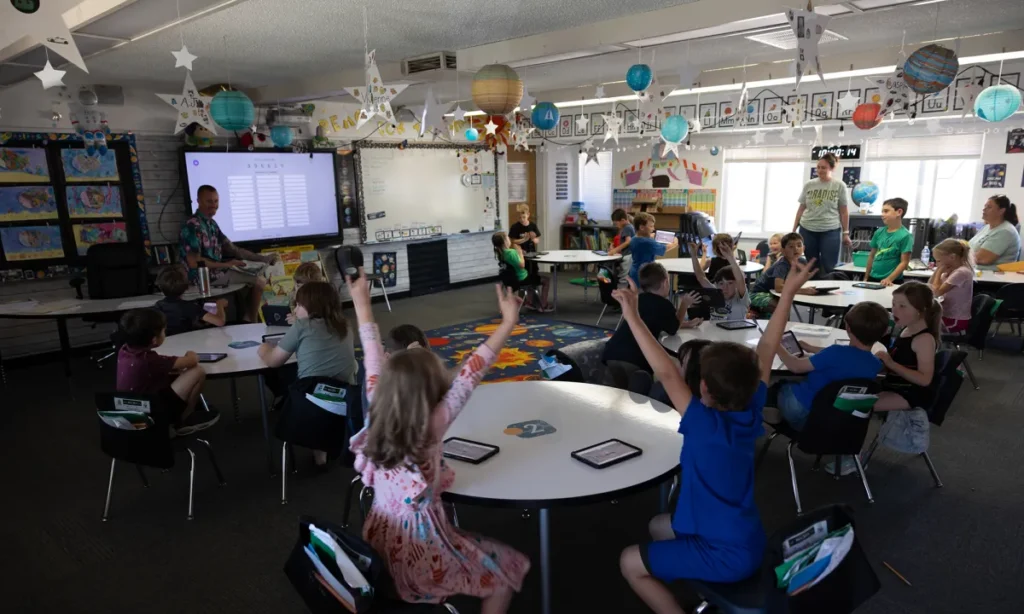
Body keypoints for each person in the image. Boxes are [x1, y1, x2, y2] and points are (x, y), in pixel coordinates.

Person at [616, 258, 819, 614]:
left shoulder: (703, 423)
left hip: (723, 554)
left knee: (628, 562)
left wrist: (632, 314)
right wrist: (786, 293)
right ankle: (687, 577)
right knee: (657, 525)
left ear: (704, 388)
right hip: (747, 539)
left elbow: (664, 370)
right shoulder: (751, 407)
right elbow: (767, 349)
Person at [348, 272, 530, 613]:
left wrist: (360, 301)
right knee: (504, 574)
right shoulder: (432, 425)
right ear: (431, 392)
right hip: (424, 548)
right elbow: (472, 371)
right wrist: (508, 322)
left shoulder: (375, 403)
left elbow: (371, 351)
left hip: (380, 541)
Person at [258, 281, 359, 467]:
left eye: (299, 305)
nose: (295, 310)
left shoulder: (302, 327)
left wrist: (263, 349)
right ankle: (324, 448)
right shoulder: (345, 325)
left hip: (309, 402)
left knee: (294, 380)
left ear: (312, 306)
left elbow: (273, 361)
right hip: (346, 399)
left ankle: (318, 452)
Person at [764, 301, 890, 431]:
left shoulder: (835, 352)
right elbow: (846, 357)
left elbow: (795, 366)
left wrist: (776, 345)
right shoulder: (875, 364)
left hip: (803, 411)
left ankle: (769, 412)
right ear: (885, 332)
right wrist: (811, 348)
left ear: (847, 328)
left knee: (779, 385)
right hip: (835, 419)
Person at [178, 185, 281, 322]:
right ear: (199, 201)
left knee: (256, 273)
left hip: (217, 272)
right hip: (202, 278)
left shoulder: (212, 224)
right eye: (209, 201)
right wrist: (226, 264)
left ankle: (246, 317)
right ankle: (251, 319)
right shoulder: (192, 226)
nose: (214, 205)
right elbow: (194, 262)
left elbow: (233, 249)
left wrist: (263, 259)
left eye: (216, 201)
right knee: (259, 281)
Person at [116, 308, 219, 435]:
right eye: (164, 331)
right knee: (196, 372)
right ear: (154, 340)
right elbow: (192, 361)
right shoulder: (149, 360)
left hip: (133, 408)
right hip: (153, 412)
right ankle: (182, 420)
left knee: (176, 372)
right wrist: (191, 354)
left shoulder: (124, 350)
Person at [602, 262, 703, 388]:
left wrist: (687, 324)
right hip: (635, 357)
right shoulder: (664, 305)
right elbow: (673, 328)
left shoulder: (638, 299)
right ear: (666, 282)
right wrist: (684, 304)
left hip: (612, 352)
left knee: (619, 391)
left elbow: (657, 321)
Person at [875, 282, 940, 413]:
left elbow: (924, 380)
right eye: (893, 304)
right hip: (894, 384)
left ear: (921, 310)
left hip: (910, 392)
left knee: (858, 406)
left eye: (902, 306)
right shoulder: (906, 329)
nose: (894, 310)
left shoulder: (924, 340)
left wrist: (891, 364)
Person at [793, 153, 852, 276]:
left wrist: (846, 233)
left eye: (823, 167)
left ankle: (829, 290)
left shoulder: (839, 185)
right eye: (818, 167)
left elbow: (844, 211)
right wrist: (794, 229)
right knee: (811, 264)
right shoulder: (809, 184)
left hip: (830, 229)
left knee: (829, 264)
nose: (820, 170)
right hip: (807, 228)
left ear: (831, 168)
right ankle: (813, 290)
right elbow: (801, 208)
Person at [748, 232, 815, 313]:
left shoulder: (802, 261)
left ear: (803, 248)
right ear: (783, 250)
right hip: (758, 293)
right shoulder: (782, 264)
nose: (796, 249)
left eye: (799, 245)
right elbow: (779, 288)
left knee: (784, 305)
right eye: (791, 246)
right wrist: (804, 291)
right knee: (780, 307)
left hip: (774, 292)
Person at [154, 265, 227, 336]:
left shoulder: (158, 306)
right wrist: (219, 305)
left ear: (160, 287)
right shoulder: (189, 307)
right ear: (186, 287)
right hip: (187, 342)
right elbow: (220, 322)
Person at [492, 231, 552, 311]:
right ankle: (543, 304)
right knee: (546, 280)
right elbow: (522, 265)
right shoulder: (511, 252)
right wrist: (520, 253)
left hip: (511, 280)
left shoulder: (501, 254)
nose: (509, 239)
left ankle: (530, 301)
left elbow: (513, 261)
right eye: (507, 238)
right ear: (504, 242)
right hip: (522, 278)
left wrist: (518, 254)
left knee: (533, 277)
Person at [689, 242, 749, 320]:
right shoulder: (716, 292)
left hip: (737, 330)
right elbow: (701, 277)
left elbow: (740, 279)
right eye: (721, 284)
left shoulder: (741, 297)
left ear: (736, 284)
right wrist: (694, 256)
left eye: (730, 283)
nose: (725, 288)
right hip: (716, 331)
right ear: (717, 284)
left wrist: (730, 257)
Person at [864, 198, 913, 286]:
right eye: (882, 211)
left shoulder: (906, 235)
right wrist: (866, 277)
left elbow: (904, 262)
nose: (882, 215)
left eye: (886, 211)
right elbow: (872, 256)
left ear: (899, 212)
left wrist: (889, 279)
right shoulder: (878, 232)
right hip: (873, 278)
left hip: (892, 281)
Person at [929, 239, 974, 333]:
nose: (937, 264)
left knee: (920, 326)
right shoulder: (950, 271)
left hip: (955, 321)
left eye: (939, 261)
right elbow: (929, 287)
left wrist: (939, 271)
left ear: (952, 257)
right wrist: (939, 270)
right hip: (945, 316)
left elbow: (936, 292)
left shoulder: (961, 272)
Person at [969, 195, 1021, 270]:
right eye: (985, 206)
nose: (984, 209)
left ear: (1001, 211)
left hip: (993, 277)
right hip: (977, 272)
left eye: (989, 207)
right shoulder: (987, 227)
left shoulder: (1006, 231)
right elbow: (969, 248)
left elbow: (981, 259)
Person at [629, 212, 676, 285]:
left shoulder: (634, 239)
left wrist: (649, 236)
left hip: (635, 271)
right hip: (644, 274)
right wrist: (675, 242)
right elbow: (664, 249)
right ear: (642, 227)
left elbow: (643, 243)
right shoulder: (648, 242)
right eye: (651, 226)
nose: (653, 229)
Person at [608, 208, 636, 284]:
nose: (616, 225)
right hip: (626, 254)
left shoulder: (627, 228)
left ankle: (623, 291)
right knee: (623, 274)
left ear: (623, 220)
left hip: (628, 255)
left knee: (623, 277)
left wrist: (615, 250)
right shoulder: (627, 227)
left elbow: (628, 241)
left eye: (616, 223)